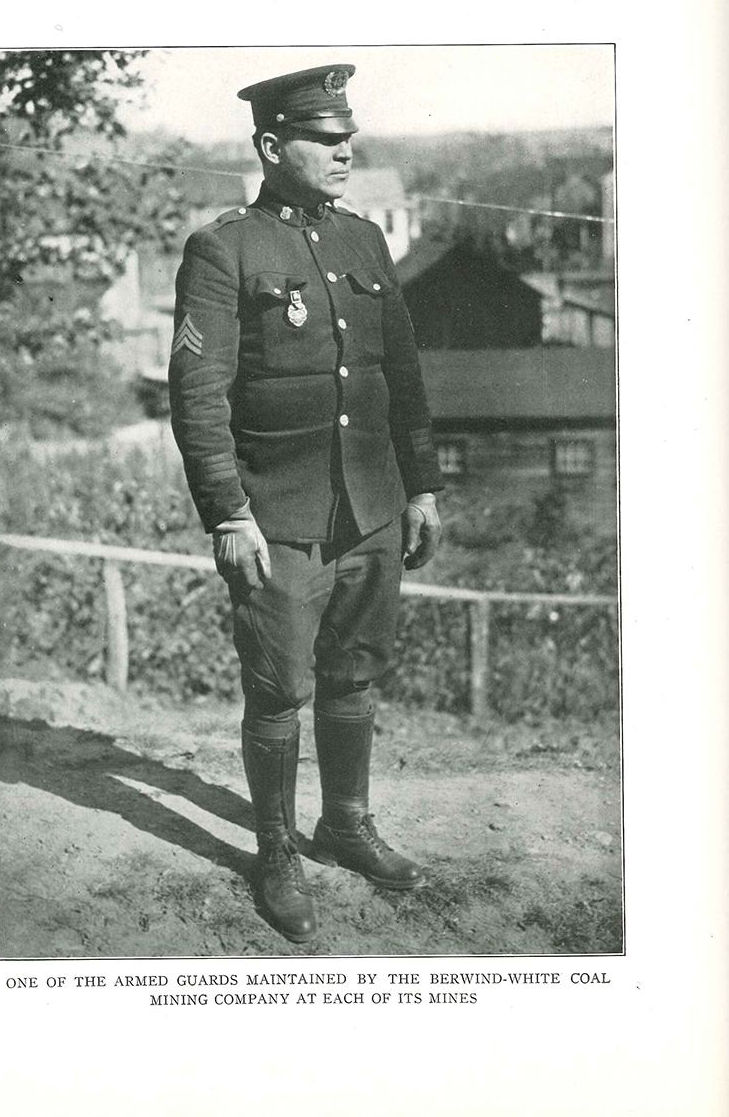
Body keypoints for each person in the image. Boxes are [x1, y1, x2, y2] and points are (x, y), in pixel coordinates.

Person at [169, 63, 443, 943]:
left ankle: (347, 824)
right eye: (325, 140)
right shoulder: (225, 249)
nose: (344, 151)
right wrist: (227, 514)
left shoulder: (366, 243)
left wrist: (424, 485)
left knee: (354, 673)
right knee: (279, 690)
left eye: (346, 138)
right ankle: (278, 848)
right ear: (271, 146)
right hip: (277, 516)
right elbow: (198, 395)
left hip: (370, 505)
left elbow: (401, 375)